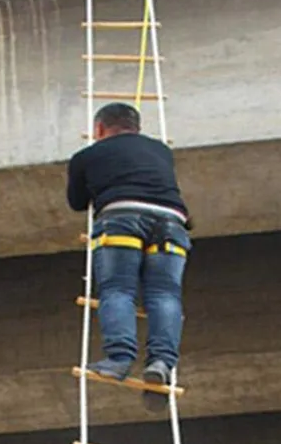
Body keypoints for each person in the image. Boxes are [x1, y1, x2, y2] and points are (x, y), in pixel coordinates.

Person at [66, 102, 192, 411]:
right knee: (165, 294)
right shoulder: (161, 151)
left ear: (98, 129)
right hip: (171, 223)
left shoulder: (87, 156)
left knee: (118, 289)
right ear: (136, 126)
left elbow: (78, 202)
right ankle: (162, 362)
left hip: (121, 217)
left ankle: (120, 358)